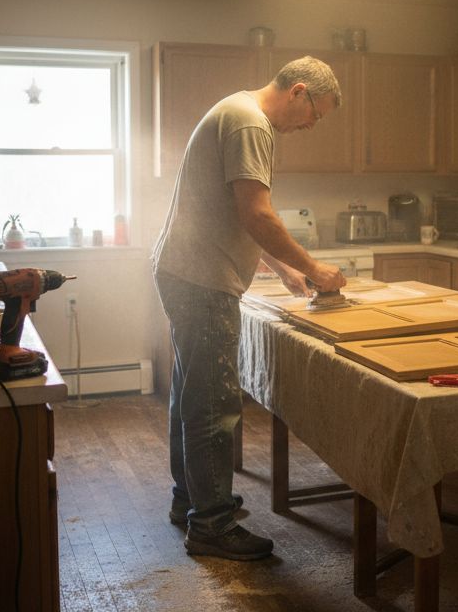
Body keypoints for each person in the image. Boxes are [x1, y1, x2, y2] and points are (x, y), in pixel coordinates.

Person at [152, 55, 347, 561]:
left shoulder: (237, 112)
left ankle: (190, 501)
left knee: (190, 394)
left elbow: (232, 212)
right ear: (298, 90)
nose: (311, 125)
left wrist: (283, 269)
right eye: (315, 114)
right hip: (202, 279)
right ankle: (212, 525)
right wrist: (315, 267)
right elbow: (255, 212)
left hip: (185, 270)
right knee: (213, 403)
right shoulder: (252, 124)